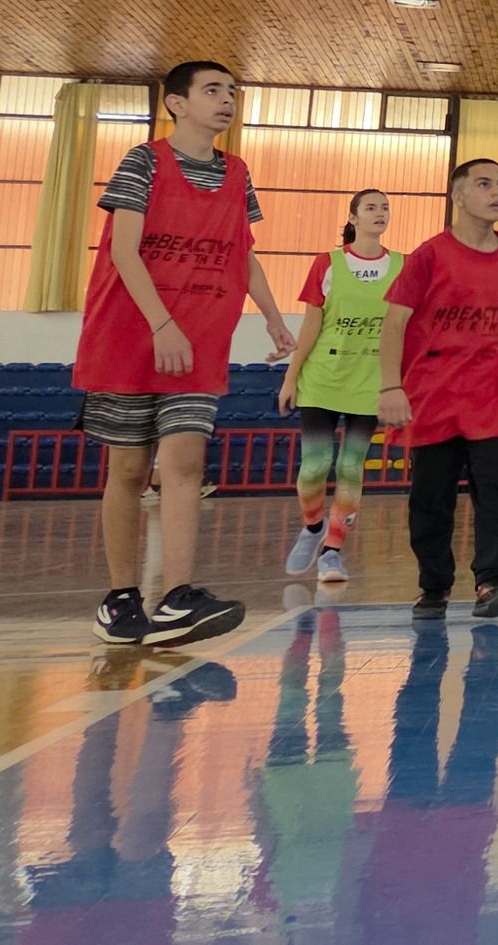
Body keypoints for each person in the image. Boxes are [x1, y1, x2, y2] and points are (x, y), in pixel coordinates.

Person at [76, 59, 291, 647]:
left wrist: (274, 318)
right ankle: (121, 598)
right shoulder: (144, 162)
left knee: (185, 463)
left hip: (198, 342)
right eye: (212, 90)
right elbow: (124, 251)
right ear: (177, 102)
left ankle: (177, 596)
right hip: (129, 336)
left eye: (231, 91)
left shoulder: (237, 172)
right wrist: (161, 324)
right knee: (128, 470)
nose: (226, 100)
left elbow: (242, 252)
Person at [378, 158, 498, 620]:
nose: (497, 192)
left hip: (495, 394)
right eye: (484, 184)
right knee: (431, 497)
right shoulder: (429, 256)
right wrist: (390, 386)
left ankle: (494, 581)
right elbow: (394, 323)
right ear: (458, 196)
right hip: (436, 394)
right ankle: (434, 585)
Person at [275, 188, 398, 585]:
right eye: (371, 207)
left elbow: (406, 328)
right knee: (314, 467)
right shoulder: (327, 263)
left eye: (385, 208)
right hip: (323, 378)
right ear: (354, 217)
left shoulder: (403, 266)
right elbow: (311, 325)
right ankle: (312, 527)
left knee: (350, 467)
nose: (380, 213)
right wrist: (291, 377)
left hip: (370, 382)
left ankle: (332, 551)